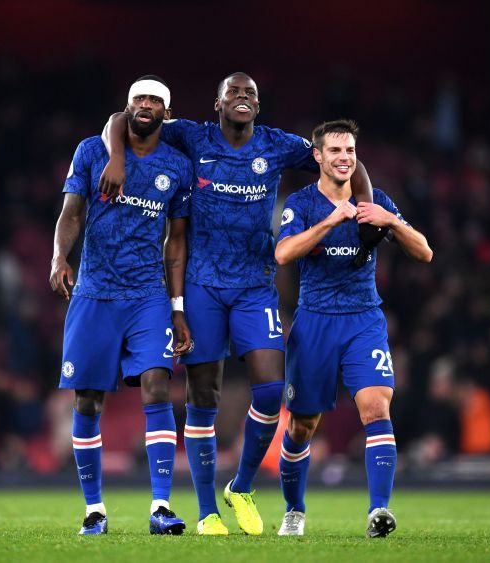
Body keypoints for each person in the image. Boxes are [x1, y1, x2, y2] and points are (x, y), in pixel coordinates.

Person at [99, 72, 380, 536]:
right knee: (202, 398)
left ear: (258, 105)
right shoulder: (192, 135)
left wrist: (367, 208)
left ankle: (243, 485)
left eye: (250, 93)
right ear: (218, 103)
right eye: (234, 92)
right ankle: (208, 512)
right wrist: (115, 155)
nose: (243, 97)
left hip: (255, 285)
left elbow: (349, 162)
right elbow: (121, 118)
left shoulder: (276, 144)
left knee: (271, 390)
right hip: (203, 286)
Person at [49, 75, 194, 536]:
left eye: (155, 100)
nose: (146, 105)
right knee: (87, 399)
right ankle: (94, 509)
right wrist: (58, 255)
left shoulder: (178, 165)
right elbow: (72, 212)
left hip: (147, 295)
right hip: (94, 291)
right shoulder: (92, 151)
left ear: (165, 113)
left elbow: (177, 243)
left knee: (157, 384)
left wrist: (176, 305)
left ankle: (160, 506)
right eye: (139, 99)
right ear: (128, 106)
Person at [274, 119, 432, 537]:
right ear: (318, 157)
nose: (344, 158)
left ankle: (378, 511)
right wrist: (329, 221)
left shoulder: (376, 201)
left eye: (350, 152)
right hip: (315, 322)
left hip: (364, 319)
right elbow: (284, 253)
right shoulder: (302, 203)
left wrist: (392, 222)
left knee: (377, 407)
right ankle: (294, 510)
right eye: (335, 151)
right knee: (301, 426)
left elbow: (425, 252)